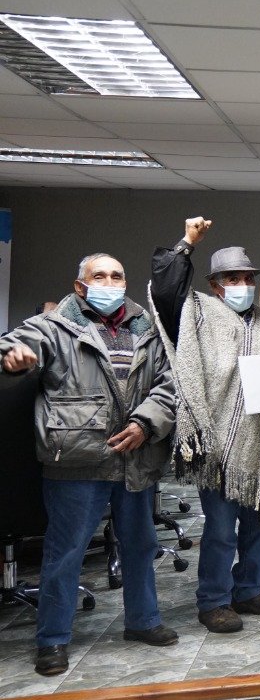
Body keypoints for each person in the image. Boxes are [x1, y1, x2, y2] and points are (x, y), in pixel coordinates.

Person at [1, 253, 177, 676]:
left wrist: (145, 423)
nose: (110, 282)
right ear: (80, 286)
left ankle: (143, 620)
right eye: (100, 276)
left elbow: (170, 385)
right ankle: (52, 639)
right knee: (66, 553)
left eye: (117, 275)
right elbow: (12, 344)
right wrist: (12, 356)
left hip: (135, 456)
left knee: (140, 546)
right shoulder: (54, 326)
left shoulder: (146, 328)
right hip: (76, 459)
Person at [150, 217, 260, 633]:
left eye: (247, 278)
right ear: (215, 285)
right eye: (232, 278)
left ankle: (248, 590)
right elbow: (165, 290)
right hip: (216, 443)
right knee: (219, 530)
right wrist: (187, 243)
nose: (242, 285)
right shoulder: (197, 311)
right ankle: (213, 600)